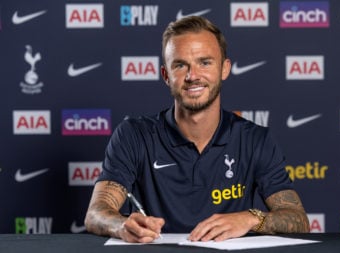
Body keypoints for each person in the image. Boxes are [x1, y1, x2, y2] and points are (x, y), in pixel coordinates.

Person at [84, 16, 309, 243]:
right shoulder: (133, 135)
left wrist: (251, 219)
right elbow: (95, 214)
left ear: (224, 69)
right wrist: (122, 225)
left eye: (205, 62)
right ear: (166, 75)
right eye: (180, 65)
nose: (193, 76)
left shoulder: (255, 139)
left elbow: (297, 219)